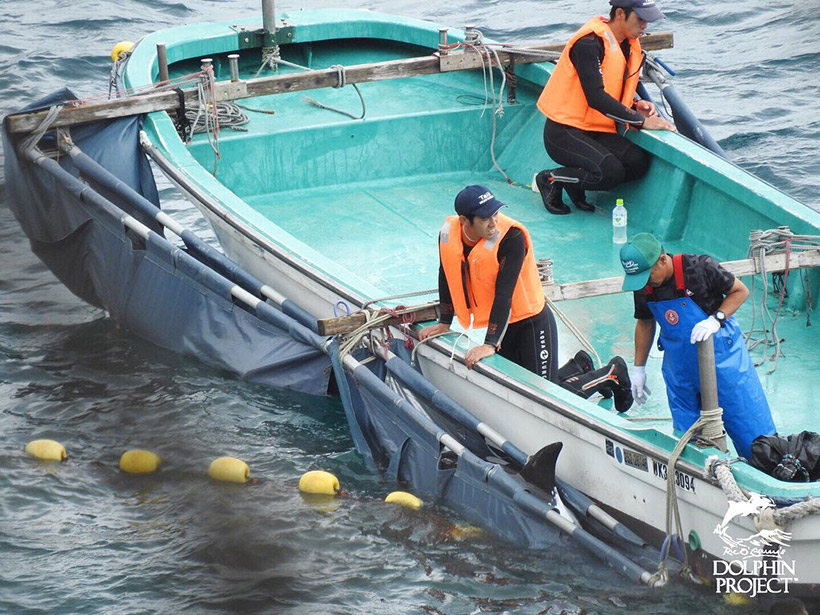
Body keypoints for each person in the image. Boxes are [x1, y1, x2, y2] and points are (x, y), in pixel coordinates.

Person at [419, 185, 633, 411]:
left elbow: (504, 293)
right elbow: (447, 273)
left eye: (495, 214)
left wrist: (490, 344)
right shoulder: (447, 235)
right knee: (521, 386)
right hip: (506, 324)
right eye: (484, 219)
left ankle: (612, 372)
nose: (493, 223)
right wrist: (444, 322)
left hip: (532, 322)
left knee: (543, 397)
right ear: (464, 221)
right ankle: (579, 366)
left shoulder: (512, 237)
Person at [619, 233, 776, 459]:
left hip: (723, 361)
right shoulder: (644, 284)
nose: (645, 283)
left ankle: (765, 469)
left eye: (648, 275)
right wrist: (638, 368)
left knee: (752, 430)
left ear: (662, 260)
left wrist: (716, 319)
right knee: (688, 440)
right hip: (680, 369)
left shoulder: (700, 267)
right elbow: (645, 322)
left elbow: (740, 291)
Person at [534, 0, 676, 215]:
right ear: (620, 14)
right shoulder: (589, 44)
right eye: (640, 18)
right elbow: (596, 97)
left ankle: (575, 182)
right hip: (564, 131)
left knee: (637, 163)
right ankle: (551, 179)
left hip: (596, 128)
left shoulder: (627, 45)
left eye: (648, 20)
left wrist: (635, 105)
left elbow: (612, 87)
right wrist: (641, 121)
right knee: (610, 172)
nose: (645, 25)